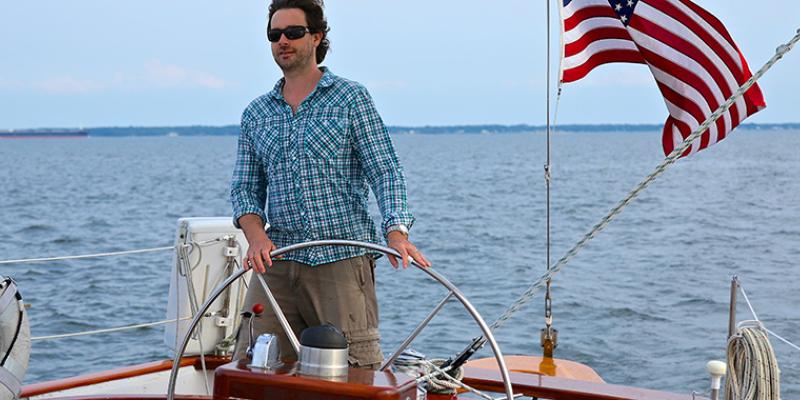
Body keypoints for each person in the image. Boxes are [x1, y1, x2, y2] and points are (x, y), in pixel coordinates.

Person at [229, 0, 430, 369]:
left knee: (353, 373)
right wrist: (256, 237)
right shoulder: (256, 113)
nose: (283, 41)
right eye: (275, 35)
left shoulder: (351, 98)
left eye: (294, 32)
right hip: (278, 259)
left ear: (317, 37)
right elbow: (245, 189)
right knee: (253, 364)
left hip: (340, 257)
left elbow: (385, 170)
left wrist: (396, 232)